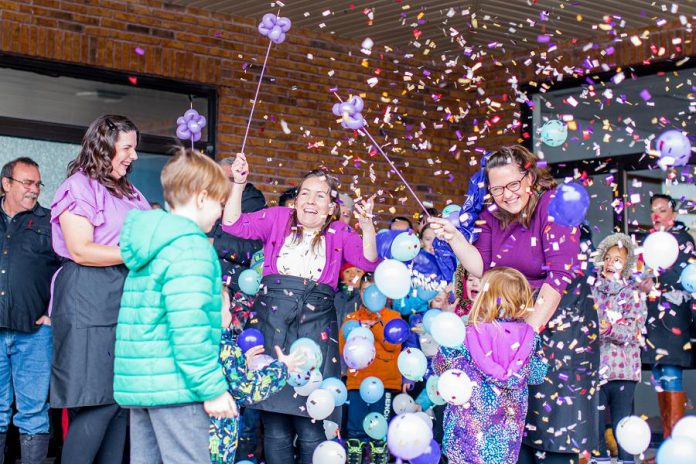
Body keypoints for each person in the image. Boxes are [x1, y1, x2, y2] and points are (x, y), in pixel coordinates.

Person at [429, 145, 595, 463]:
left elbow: (559, 276)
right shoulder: (492, 216)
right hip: (513, 320)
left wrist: (527, 337)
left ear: (529, 177)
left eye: (513, 184)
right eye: (497, 188)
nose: (506, 194)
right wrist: (455, 238)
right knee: (509, 419)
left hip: (558, 316)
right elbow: (483, 268)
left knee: (552, 425)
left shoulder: (553, 206)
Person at [221, 153, 379, 464]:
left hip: (315, 331)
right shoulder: (278, 217)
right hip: (271, 324)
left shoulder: (340, 233)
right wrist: (238, 184)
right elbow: (233, 224)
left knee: (311, 426)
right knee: (275, 426)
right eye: (305, 192)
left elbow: (369, 261)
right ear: (296, 199)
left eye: (320, 195)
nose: (310, 200)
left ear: (332, 207)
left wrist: (367, 225)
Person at [113, 149, 238, 462]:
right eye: (219, 203)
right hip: (177, 385)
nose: (221, 213)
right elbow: (189, 327)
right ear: (200, 197)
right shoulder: (191, 247)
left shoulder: (151, 242)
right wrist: (212, 388)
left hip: (144, 383)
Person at [50, 115, 151, 463]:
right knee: (96, 401)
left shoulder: (131, 191)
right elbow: (81, 249)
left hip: (124, 298)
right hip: (87, 296)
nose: (134, 156)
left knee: (120, 403)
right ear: (104, 147)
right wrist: (137, 253)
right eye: (127, 148)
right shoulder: (79, 186)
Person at [432, 267, 547, 464]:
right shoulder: (530, 338)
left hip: (465, 439)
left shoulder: (466, 335)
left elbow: (441, 366)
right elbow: (538, 374)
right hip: (505, 443)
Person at [0, 158, 61, 462]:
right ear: (6, 183)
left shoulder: (50, 222)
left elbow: (68, 272)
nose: (34, 189)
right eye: (27, 182)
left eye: (38, 183)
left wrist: (54, 312)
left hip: (35, 335)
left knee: (34, 414)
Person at [211, 287, 304, 464]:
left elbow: (225, 375)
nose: (231, 308)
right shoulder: (226, 346)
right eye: (227, 306)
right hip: (217, 438)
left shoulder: (197, 345)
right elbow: (246, 390)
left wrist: (241, 364)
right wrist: (282, 367)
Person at [640, 194, 695, 440]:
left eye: (662, 210)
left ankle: (676, 443)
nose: (657, 215)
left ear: (673, 214)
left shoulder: (684, 240)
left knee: (672, 376)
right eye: (653, 210)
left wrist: (656, 281)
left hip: (675, 320)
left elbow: (685, 276)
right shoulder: (648, 241)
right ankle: (667, 441)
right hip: (652, 320)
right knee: (660, 378)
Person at [590, 234, 646, 464]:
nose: (612, 263)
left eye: (618, 260)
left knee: (623, 422)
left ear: (627, 265)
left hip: (624, 370)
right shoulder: (591, 290)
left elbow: (635, 331)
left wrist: (609, 329)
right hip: (597, 369)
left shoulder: (633, 293)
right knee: (596, 421)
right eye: (608, 258)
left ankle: (627, 460)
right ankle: (600, 459)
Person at [339, 276, 403, 464]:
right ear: (360, 293)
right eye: (365, 291)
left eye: (374, 291)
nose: (370, 295)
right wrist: (359, 329)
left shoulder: (393, 317)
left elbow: (392, 346)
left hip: (385, 383)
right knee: (355, 426)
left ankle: (379, 457)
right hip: (357, 382)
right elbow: (345, 349)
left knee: (379, 427)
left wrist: (374, 328)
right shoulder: (351, 319)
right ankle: (354, 457)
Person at [209, 157, 266, 293]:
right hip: (208, 278)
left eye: (229, 178)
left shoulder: (254, 205)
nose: (220, 184)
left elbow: (254, 249)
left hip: (235, 285)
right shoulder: (213, 200)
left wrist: (214, 244)